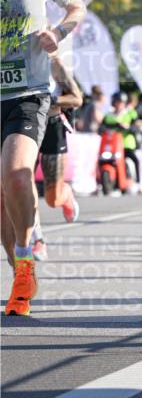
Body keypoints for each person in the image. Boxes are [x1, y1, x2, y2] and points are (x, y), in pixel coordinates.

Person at [0, 0, 85, 316]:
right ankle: (20, 277)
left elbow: (76, 6)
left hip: (28, 93)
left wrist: (59, 32)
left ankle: (26, 252)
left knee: (17, 174)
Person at [31, 54, 84, 261]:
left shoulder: (53, 64)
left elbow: (76, 99)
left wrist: (49, 100)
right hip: (23, 125)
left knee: (52, 199)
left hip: (52, 126)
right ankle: (37, 240)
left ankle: (65, 193)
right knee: (24, 181)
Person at [102, 90, 141, 190]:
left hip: (126, 144)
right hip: (111, 145)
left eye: (121, 103)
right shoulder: (108, 116)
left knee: (134, 160)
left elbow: (136, 127)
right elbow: (101, 128)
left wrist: (128, 128)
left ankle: (137, 182)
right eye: (117, 102)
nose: (119, 105)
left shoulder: (130, 114)